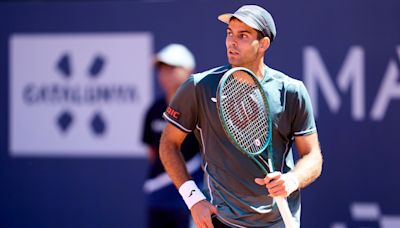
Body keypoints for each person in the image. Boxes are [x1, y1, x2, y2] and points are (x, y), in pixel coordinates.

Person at [159, 5, 323, 228]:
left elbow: (312, 155)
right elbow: (168, 144)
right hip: (222, 220)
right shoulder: (200, 87)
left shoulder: (291, 91)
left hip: (280, 221)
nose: (232, 42)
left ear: (263, 44)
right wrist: (193, 198)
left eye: (243, 35)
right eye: (229, 33)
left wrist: (291, 180)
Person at [142, 44, 203, 228]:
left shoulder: (200, 109)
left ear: (188, 71)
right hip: (158, 197)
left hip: (193, 198)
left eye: (171, 68)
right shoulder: (153, 109)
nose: (164, 74)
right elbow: (152, 152)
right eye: (161, 69)